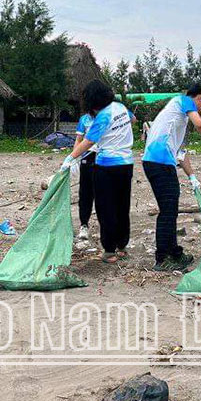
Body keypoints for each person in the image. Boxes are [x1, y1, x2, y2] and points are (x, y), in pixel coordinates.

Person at [142, 85, 201, 271]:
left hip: (158, 162)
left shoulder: (178, 117)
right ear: (200, 98)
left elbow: (181, 153)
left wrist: (192, 177)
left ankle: (175, 253)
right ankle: (162, 259)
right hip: (159, 161)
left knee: (171, 209)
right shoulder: (184, 101)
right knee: (168, 211)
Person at [60, 80, 134, 263]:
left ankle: (109, 251)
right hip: (127, 165)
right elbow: (133, 119)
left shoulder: (102, 116)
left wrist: (70, 158)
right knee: (122, 205)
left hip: (106, 167)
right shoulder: (120, 107)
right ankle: (122, 246)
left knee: (105, 208)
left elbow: (87, 142)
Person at [74, 111, 98, 241]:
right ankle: (84, 224)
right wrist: (74, 158)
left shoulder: (108, 114)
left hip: (105, 156)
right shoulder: (84, 119)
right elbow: (79, 140)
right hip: (87, 156)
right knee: (85, 193)